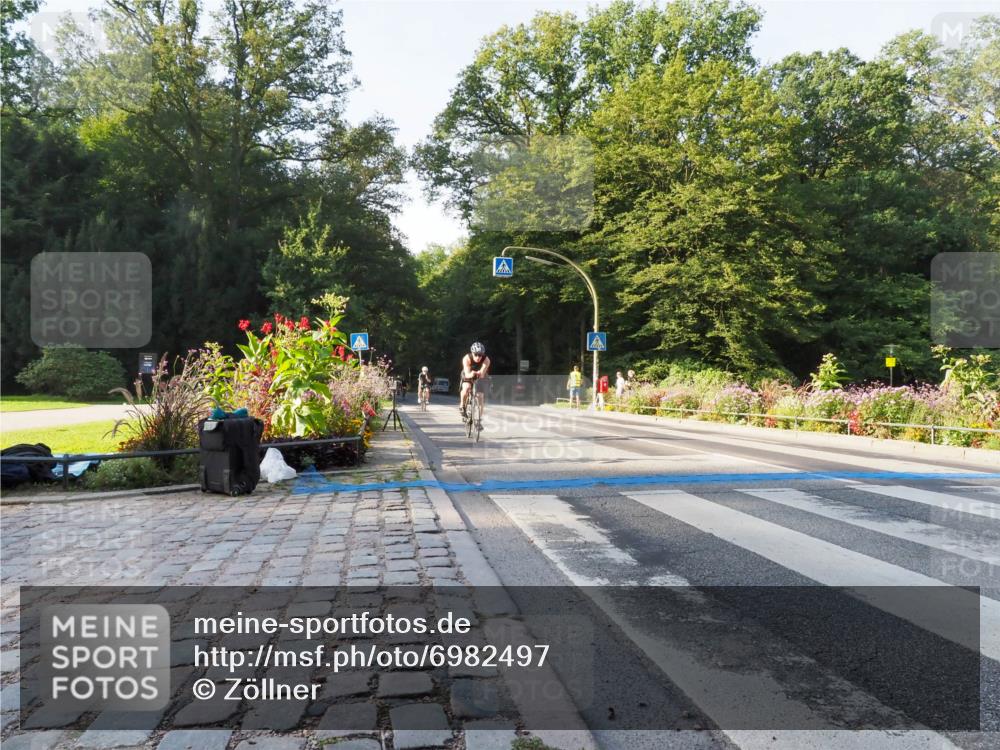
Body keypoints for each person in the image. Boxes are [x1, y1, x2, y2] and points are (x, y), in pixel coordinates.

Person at [460, 342, 491, 422]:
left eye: (480, 355)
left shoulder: (486, 360)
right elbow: (467, 374)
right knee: (466, 388)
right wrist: (472, 373)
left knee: (480, 396)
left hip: (479, 375)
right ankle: (462, 405)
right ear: (472, 353)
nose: (478, 357)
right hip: (468, 373)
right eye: (476, 354)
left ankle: (478, 419)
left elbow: (482, 374)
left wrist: (479, 373)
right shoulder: (466, 358)